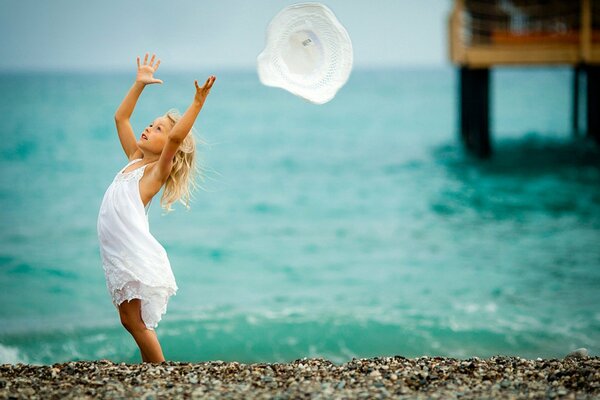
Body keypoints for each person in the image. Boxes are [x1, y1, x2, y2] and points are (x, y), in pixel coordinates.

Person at [97, 53, 216, 363]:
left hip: (130, 251)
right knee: (130, 320)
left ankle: (159, 372)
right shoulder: (135, 160)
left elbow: (177, 136)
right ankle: (154, 369)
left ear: (167, 149)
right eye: (151, 124)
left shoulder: (154, 173)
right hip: (115, 250)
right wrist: (139, 84)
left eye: (158, 129)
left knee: (135, 322)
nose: (149, 128)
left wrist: (197, 104)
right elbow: (120, 119)